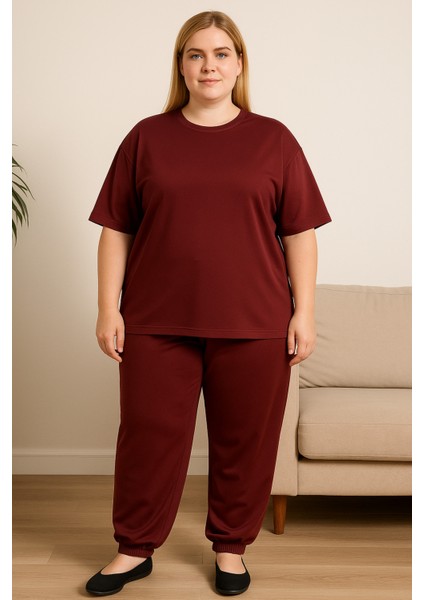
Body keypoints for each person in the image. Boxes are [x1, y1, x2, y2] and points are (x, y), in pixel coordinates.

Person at [85, 9, 331, 597]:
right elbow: (116, 229)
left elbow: (299, 232)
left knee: (245, 441)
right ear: (181, 66)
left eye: (221, 54)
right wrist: (107, 308)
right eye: (196, 54)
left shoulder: (274, 139)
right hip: (155, 319)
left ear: (240, 64)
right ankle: (133, 549)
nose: (209, 65)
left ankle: (230, 548)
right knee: (147, 439)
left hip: (254, 321)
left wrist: (304, 311)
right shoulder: (146, 137)